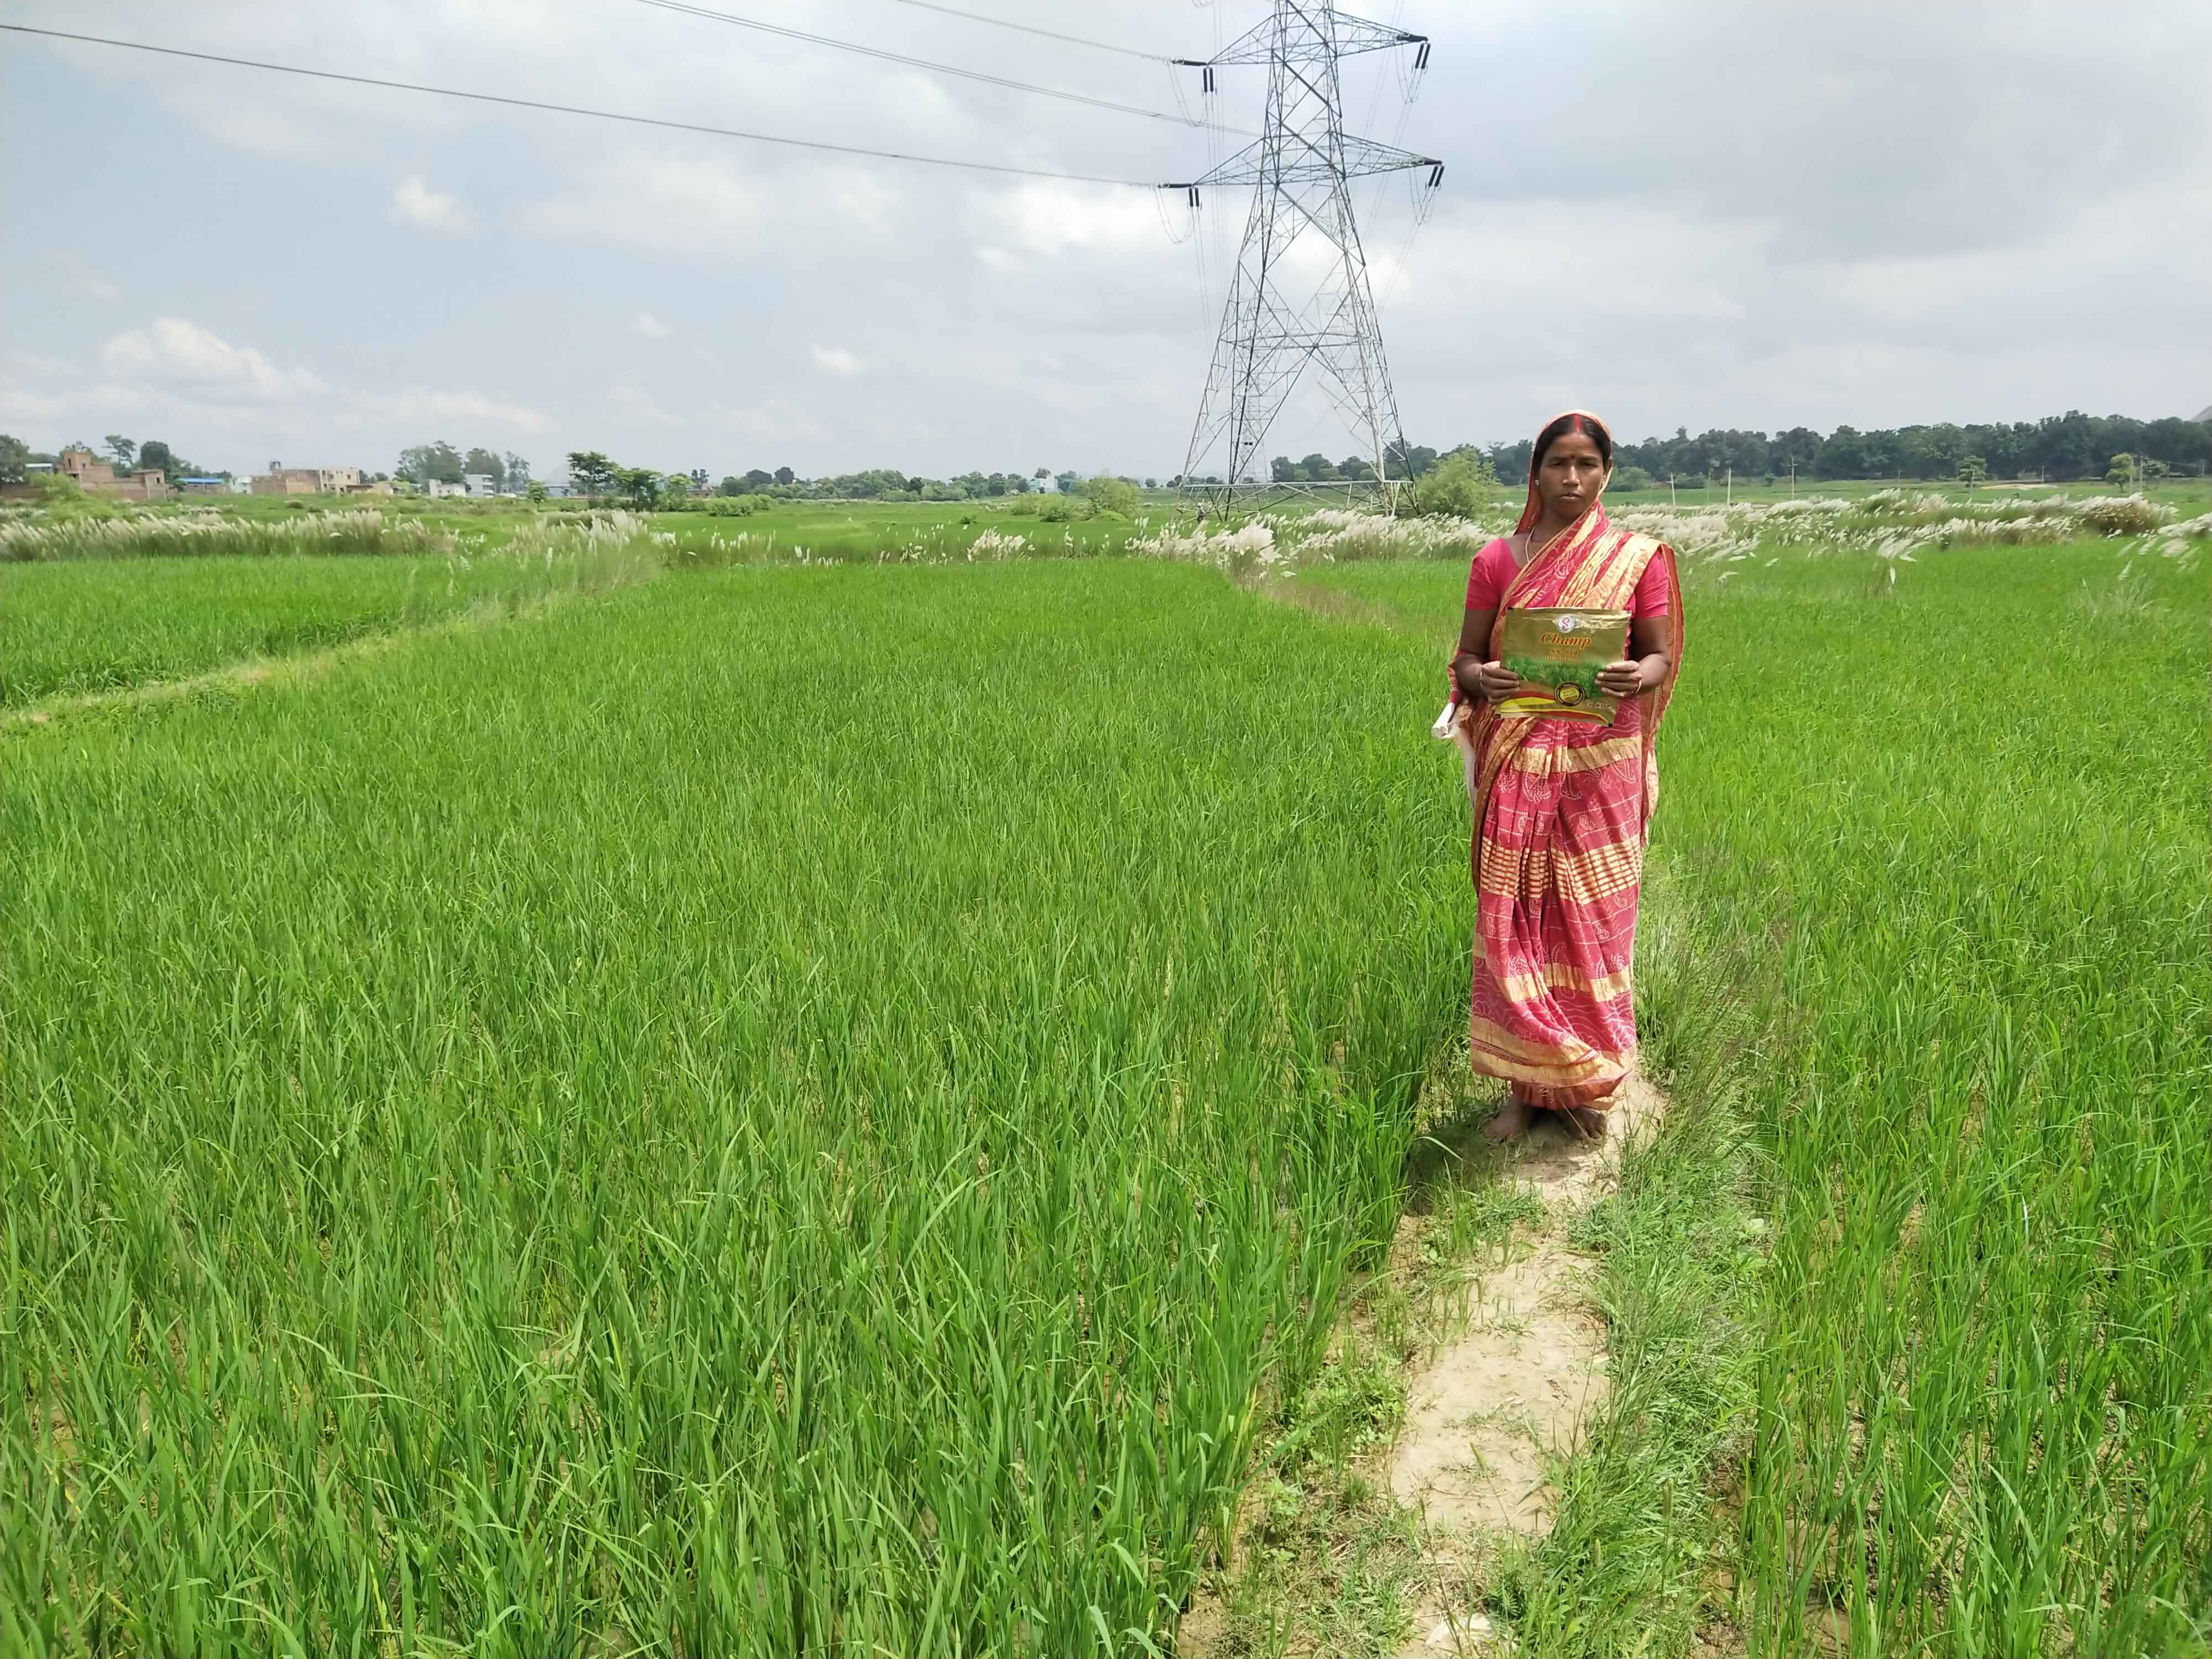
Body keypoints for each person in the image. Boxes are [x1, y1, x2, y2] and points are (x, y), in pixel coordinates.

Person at [1436, 411, 1681, 1140]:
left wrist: (1638, 674)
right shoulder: (1497, 560)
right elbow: (1466, 661)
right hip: (1521, 759)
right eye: (1558, 464)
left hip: (1602, 770)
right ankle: (1524, 1090)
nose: (1572, 479)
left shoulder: (1637, 559)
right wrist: (1486, 679)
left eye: (1587, 464)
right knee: (1516, 920)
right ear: (1535, 474)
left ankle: (1582, 1085)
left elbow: (1659, 655)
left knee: (1591, 921)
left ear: (1607, 473)